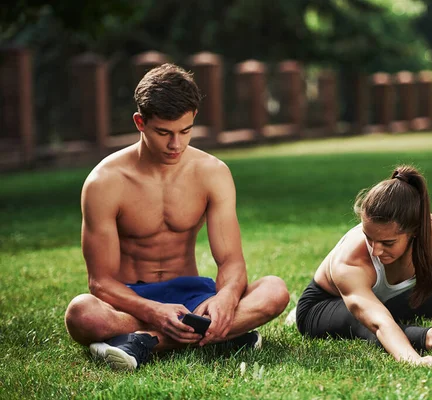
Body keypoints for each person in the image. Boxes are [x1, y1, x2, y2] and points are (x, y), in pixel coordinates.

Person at [64, 63, 289, 370]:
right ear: (140, 122)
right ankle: (222, 336)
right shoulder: (105, 182)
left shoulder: (213, 173)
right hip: (133, 299)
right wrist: (154, 310)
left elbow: (231, 262)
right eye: (164, 133)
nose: (176, 144)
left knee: (275, 290)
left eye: (185, 131)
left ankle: (144, 342)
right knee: (82, 314)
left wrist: (225, 298)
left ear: (194, 118)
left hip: (194, 296)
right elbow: (100, 282)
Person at [288, 165, 432, 367]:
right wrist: (414, 359)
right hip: (322, 307)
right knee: (363, 321)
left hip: (387, 300)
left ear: (413, 231)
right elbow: (379, 322)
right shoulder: (350, 258)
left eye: (388, 242)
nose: (375, 250)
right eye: (369, 237)